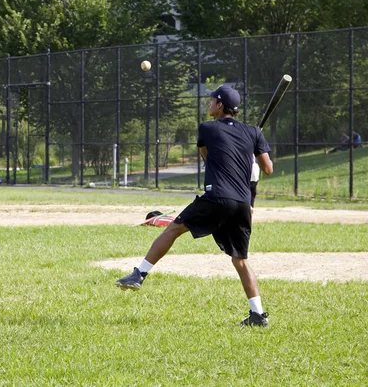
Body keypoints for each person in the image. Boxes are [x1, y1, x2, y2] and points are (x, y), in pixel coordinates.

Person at [115, 84, 274, 327]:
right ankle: (257, 314)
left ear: (220, 105)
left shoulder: (207, 128)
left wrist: (237, 155)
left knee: (173, 229)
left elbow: (207, 157)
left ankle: (139, 274)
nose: (209, 104)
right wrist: (249, 154)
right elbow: (267, 168)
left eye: (211, 101)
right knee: (240, 260)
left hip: (217, 196)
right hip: (243, 203)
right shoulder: (253, 132)